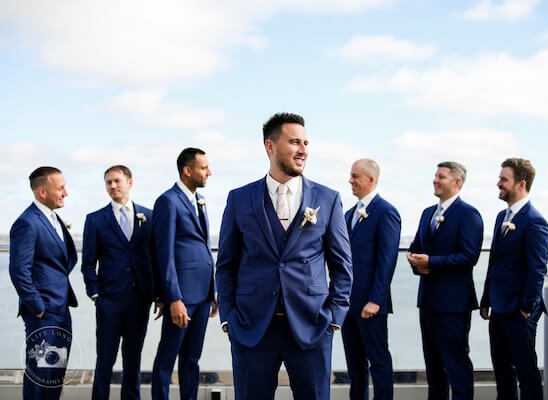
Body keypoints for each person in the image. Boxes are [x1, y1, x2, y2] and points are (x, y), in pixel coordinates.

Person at [215, 112, 353, 400]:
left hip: (312, 326)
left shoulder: (327, 199)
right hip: (251, 328)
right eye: (294, 142)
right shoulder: (239, 199)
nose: (303, 150)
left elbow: (342, 267)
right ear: (270, 146)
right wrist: (228, 317)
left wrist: (333, 318)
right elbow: (226, 265)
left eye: (305, 143)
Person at [407, 161, 483, 400]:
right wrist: (417, 264)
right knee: (433, 365)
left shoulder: (469, 214)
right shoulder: (427, 213)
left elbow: (469, 256)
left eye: (441, 176)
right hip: (428, 301)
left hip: (453, 304)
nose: (435, 180)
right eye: (435, 176)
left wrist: (431, 261)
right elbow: (415, 248)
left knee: (456, 362)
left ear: (457, 182)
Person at [81, 165, 155, 400]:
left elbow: (156, 258)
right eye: (108, 182)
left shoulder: (150, 216)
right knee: (104, 360)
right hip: (108, 302)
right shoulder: (94, 220)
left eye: (117, 181)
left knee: (133, 360)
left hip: (139, 300)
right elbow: (88, 262)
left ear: (129, 183)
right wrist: (95, 295)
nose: (112, 186)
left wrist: (158, 295)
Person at [151, 148, 217, 400]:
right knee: (167, 359)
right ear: (187, 170)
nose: (209, 172)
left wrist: (212, 292)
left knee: (192, 359)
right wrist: (173, 298)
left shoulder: (198, 200)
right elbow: (164, 254)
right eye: (204, 168)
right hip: (181, 298)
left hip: (202, 296)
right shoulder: (168, 201)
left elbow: (202, 249)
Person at [480, 158, 548, 400]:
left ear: (521, 184)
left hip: (520, 311)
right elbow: (495, 262)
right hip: (499, 307)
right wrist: (486, 298)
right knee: (502, 373)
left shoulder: (535, 221)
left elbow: (537, 269)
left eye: (503, 179)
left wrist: (526, 308)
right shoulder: (502, 217)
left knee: (526, 374)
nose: (498, 183)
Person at [9, 166, 78, 400]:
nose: (65, 193)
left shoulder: (53, 218)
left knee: (53, 374)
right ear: (42, 191)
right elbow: (19, 270)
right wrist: (38, 306)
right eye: (60, 188)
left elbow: (61, 261)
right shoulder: (27, 222)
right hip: (44, 313)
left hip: (60, 308)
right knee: (42, 375)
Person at [342, 158, 401, 400]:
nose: (350, 180)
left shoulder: (386, 212)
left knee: (378, 361)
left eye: (355, 176)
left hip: (370, 305)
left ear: (370, 180)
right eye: (351, 175)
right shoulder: (347, 214)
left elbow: (387, 260)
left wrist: (376, 299)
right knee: (354, 366)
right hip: (348, 304)